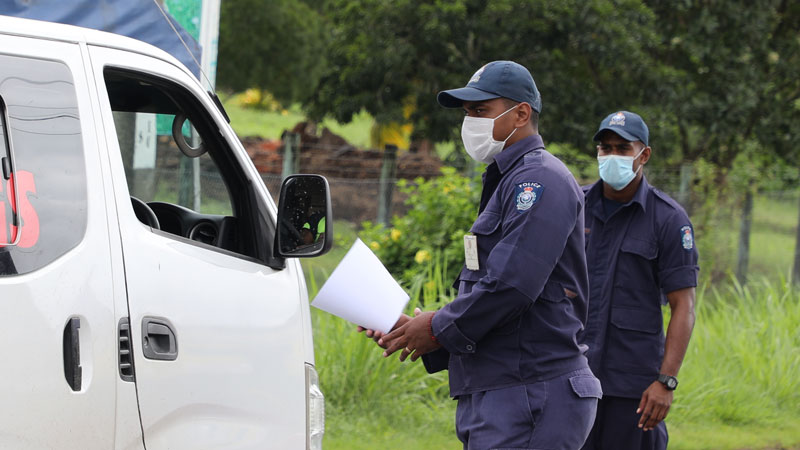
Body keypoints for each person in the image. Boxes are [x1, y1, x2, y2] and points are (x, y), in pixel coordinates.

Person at [374, 60, 601, 449]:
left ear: (521, 114)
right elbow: (494, 288)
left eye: (481, 110)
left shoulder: (539, 181)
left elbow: (511, 286)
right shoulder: (508, 179)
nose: (470, 122)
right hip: (502, 388)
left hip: (531, 390)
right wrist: (417, 331)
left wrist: (435, 328)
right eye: (467, 112)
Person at [579, 111, 698, 450]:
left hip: (632, 385)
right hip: (573, 375)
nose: (612, 156)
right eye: (605, 148)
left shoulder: (668, 220)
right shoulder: (574, 205)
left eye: (622, 148)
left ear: (643, 155)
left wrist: (666, 381)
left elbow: (684, 306)